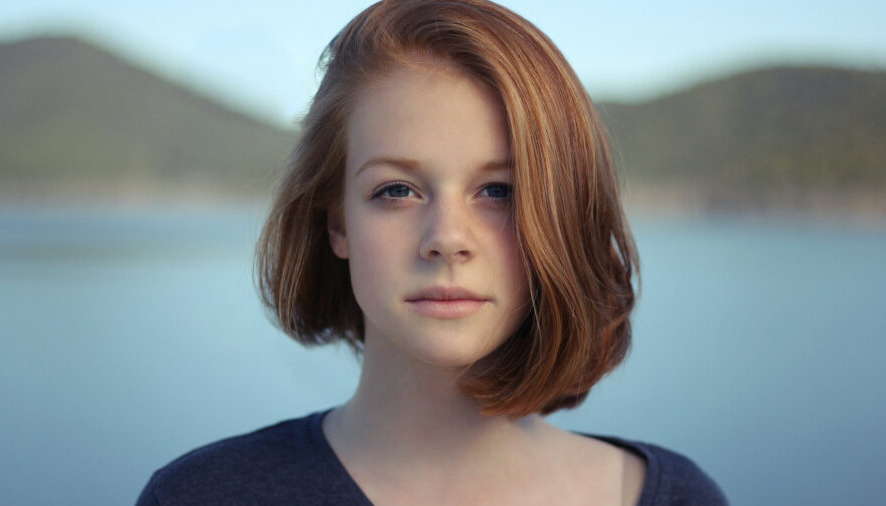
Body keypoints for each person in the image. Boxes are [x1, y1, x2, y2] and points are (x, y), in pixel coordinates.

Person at [136, 0, 727, 504]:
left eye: (499, 191)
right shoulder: (203, 495)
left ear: (561, 214)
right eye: (396, 190)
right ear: (337, 222)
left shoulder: (675, 498)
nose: (447, 237)